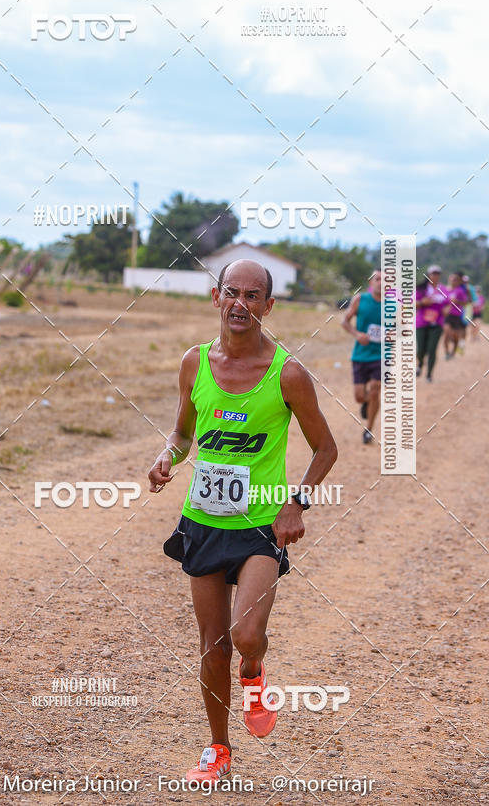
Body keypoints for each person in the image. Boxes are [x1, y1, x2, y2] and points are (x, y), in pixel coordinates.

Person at [148, 259, 337, 784]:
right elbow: (184, 433)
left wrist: (295, 503)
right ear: (216, 297)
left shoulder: (288, 373)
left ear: (268, 307)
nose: (240, 303)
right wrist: (168, 456)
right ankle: (217, 750)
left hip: (259, 525)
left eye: (253, 296)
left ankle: (254, 674)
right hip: (203, 521)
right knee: (213, 644)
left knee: (246, 635)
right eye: (232, 292)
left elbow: (326, 447)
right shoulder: (193, 363)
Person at [341, 269, 382, 444]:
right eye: (378, 279)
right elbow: (344, 321)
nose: (381, 282)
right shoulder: (360, 300)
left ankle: (369, 429)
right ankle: (367, 402)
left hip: (381, 355)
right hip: (360, 355)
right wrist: (357, 334)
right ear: (371, 282)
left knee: (375, 389)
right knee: (359, 396)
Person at [415, 265, 449, 382]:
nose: (435, 276)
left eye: (437, 274)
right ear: (428, 275)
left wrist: (447, 309)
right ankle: (420, 364)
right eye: (433, 273)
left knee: (432, 349)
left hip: (437, 323)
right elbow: (412, 304)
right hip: (422, 323)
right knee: (421, 350)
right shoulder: (421, 289)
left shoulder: (443, 290)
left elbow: (448, 303)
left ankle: (429, 374)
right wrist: (422, 302)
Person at [443, 272, 469, 359]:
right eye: (452, 280)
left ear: (458, 282)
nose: (453, 281)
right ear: (449, 280)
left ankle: (453, 353)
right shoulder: (445, 290)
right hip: (447, 315)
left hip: (457, 316)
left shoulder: (460, 291)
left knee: (455, 336)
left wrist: (457, 301)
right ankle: (446, 353)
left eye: (455, 280)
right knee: (446, 333)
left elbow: (465, 303)